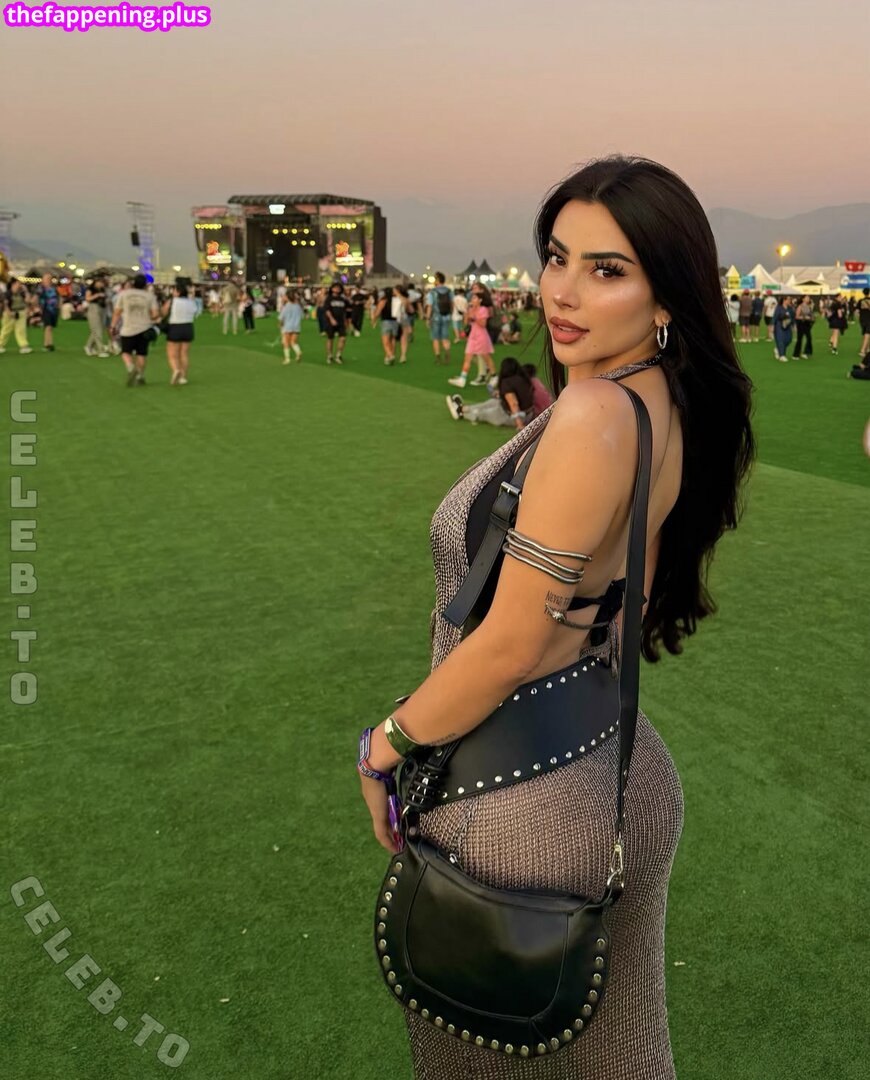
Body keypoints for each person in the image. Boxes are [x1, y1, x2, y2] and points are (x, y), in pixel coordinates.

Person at [358, 153, 755, 1080]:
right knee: (626, 1058)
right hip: (612, 770)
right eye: (557, 257)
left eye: (607, 270)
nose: (564, 293)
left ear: (666, 296)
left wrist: (383, 744)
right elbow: (620, 606)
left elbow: (512, 644)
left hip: (523, 799)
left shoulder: (593, 413)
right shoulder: (658, 400)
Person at [446, 355, 535, 428]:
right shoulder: (523, 378)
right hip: (528, 414)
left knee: (483, 414)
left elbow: (513, 403)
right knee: (491, 402)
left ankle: (461, 413)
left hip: (512, 416)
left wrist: (519, 424)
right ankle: (463, 408)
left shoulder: (506, 383)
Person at [111, 274, 159, 386]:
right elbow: (155, 314)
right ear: (145, 285)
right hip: (144, 328)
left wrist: (113, 325)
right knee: (141, 354)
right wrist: (150, 318)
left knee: (125, 352)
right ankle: (140, 375)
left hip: (128, 328)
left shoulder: (124, 294)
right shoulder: (150, 296)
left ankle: (130, 367)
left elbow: (117, 312)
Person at [448, 283, 497, 389]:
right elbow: (466, 322)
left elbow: (483, 324)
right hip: (473, 336)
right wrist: (467, 313)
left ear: (480, 300)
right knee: (468, 357)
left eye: (474, 298)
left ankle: (494, 376)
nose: (472, 299)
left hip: (481, 336)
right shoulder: (471, 309)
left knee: (486, 357)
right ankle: (462, 378)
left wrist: (473, 316)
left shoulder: (483, 309)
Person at [161, 282, 198, 386]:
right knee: (184, 353)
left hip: (175, 327)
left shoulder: (172, 301)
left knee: (172, 353)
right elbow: (195, 312)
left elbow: (163, 312)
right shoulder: (191, 301)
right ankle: (183, 377)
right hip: (188, 327)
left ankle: (176, 369)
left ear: (178, 292)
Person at [426, 272, 453, 365]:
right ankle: (447, 351)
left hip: (436, 317)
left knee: (436, 338)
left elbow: (430, 306)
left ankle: (438, 357)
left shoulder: (432, 292)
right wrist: (450, 313)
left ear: (437, 280)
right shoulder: (449, 291)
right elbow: (452, 304)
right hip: (446, 316)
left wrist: (428, 318)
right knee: (445, 337)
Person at [0, 278, 33, 354]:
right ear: (13, 284)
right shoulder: (7, 293)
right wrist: (9, 313)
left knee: (21, 330)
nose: (20, 285)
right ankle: (0, 345)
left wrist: (26, 291)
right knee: (6, 330)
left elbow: (28, 301)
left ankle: (23, 346)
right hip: (10, 314)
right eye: (18, 283)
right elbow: (5, 304)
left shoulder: (21, 293)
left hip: (20, 312)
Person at [323, 282, 349, 364]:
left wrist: (346, 321)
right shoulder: (329, 299)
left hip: (341, 321)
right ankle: (329, 355)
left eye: (338, 288)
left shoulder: (343, 299)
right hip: (331, 321)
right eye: (335, 287)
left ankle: (338, 355)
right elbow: (327, 310)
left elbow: (346, 310)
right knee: (330, 338)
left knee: (343, 338)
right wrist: (331, 319)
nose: (337, 289)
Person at [84, 277, 109, 357]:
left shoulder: (103, 289)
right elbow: (87, 299)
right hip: (93, 308)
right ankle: (100, 350)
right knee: (97, 330)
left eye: (102, 283)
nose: (101, 284)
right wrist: (97, 295)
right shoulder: (91, 289)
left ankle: (89, 346)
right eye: (99, 282)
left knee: (98, 329)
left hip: (102, 309)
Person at [372, 287, 398, 364]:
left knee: (385, 341)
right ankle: (389, 356)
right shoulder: (396, 300)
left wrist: (374, 319)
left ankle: (390, 355)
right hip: (395, 321)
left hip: (386, 321)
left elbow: (378, 311)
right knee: (392, 340)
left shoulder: (383, 301)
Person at [36, 272, 60, 352]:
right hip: (45, 309)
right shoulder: (40, 288)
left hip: (54, 310)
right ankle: (47, 344)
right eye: (46, 279)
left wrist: (59, 306)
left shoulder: (54, 288)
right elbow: (37, 297)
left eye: (49, 278)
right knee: (48, 326)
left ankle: (49, 343)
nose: (48, 280)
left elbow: (58, 297)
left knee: (51, 327)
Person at [279, 289, 304, 364]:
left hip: (287, 326)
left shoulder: (286, 306)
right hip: (296, 326)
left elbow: (281, 317)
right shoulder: (298, 306)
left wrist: (280, 324)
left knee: (286, 343)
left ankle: (287, 359)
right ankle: (298, 351)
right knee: (293, 342)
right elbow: (302, 316)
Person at [792, 295, 815, 359]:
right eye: (807, 298)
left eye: (809, 298)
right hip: (801, 324)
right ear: (803, 299)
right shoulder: (800, 306)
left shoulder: (809, 306)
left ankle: (806, 352)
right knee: (799, 339)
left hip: (807, 324)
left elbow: (810, 315)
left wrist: (812, 318)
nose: (808, 299)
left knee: (809, 338)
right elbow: (796, 316)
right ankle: (796, 355)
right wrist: (804, 317)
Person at [773, 295, 794, 362]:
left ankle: (778, 349)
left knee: (788, 339)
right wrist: (772, 326)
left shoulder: (790, 308)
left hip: (788, 326)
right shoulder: (779, 308)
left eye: (790, 299)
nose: (789, 301)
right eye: (788, 299)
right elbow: (775, 317)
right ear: (784, 300)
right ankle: (782, 355)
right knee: (781, 340)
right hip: (779, 326)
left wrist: (793, 325)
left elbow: (792, 317)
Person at [858, 287, 870, 360]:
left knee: (866, 333)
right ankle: (862, 350)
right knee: (867, 334)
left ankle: (868, 349)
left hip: (862, 319)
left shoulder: (860, 301)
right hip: (869, 319)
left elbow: (857, 311)